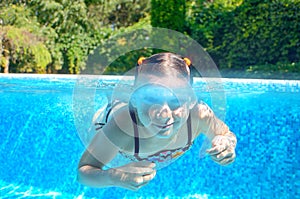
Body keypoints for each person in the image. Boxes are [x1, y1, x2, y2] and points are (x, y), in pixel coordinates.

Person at [77, 52, 237, 191]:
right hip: (105, 120)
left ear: (190, 101)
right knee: (115, 107)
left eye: (176, 100)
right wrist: (113, 176)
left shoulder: (200, 115)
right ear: (135, 100)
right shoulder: (123, 126)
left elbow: (225, 133)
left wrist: (226, 144)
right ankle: (113, 95)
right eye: (151, 99)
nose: (163, 113)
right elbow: (83, 173)